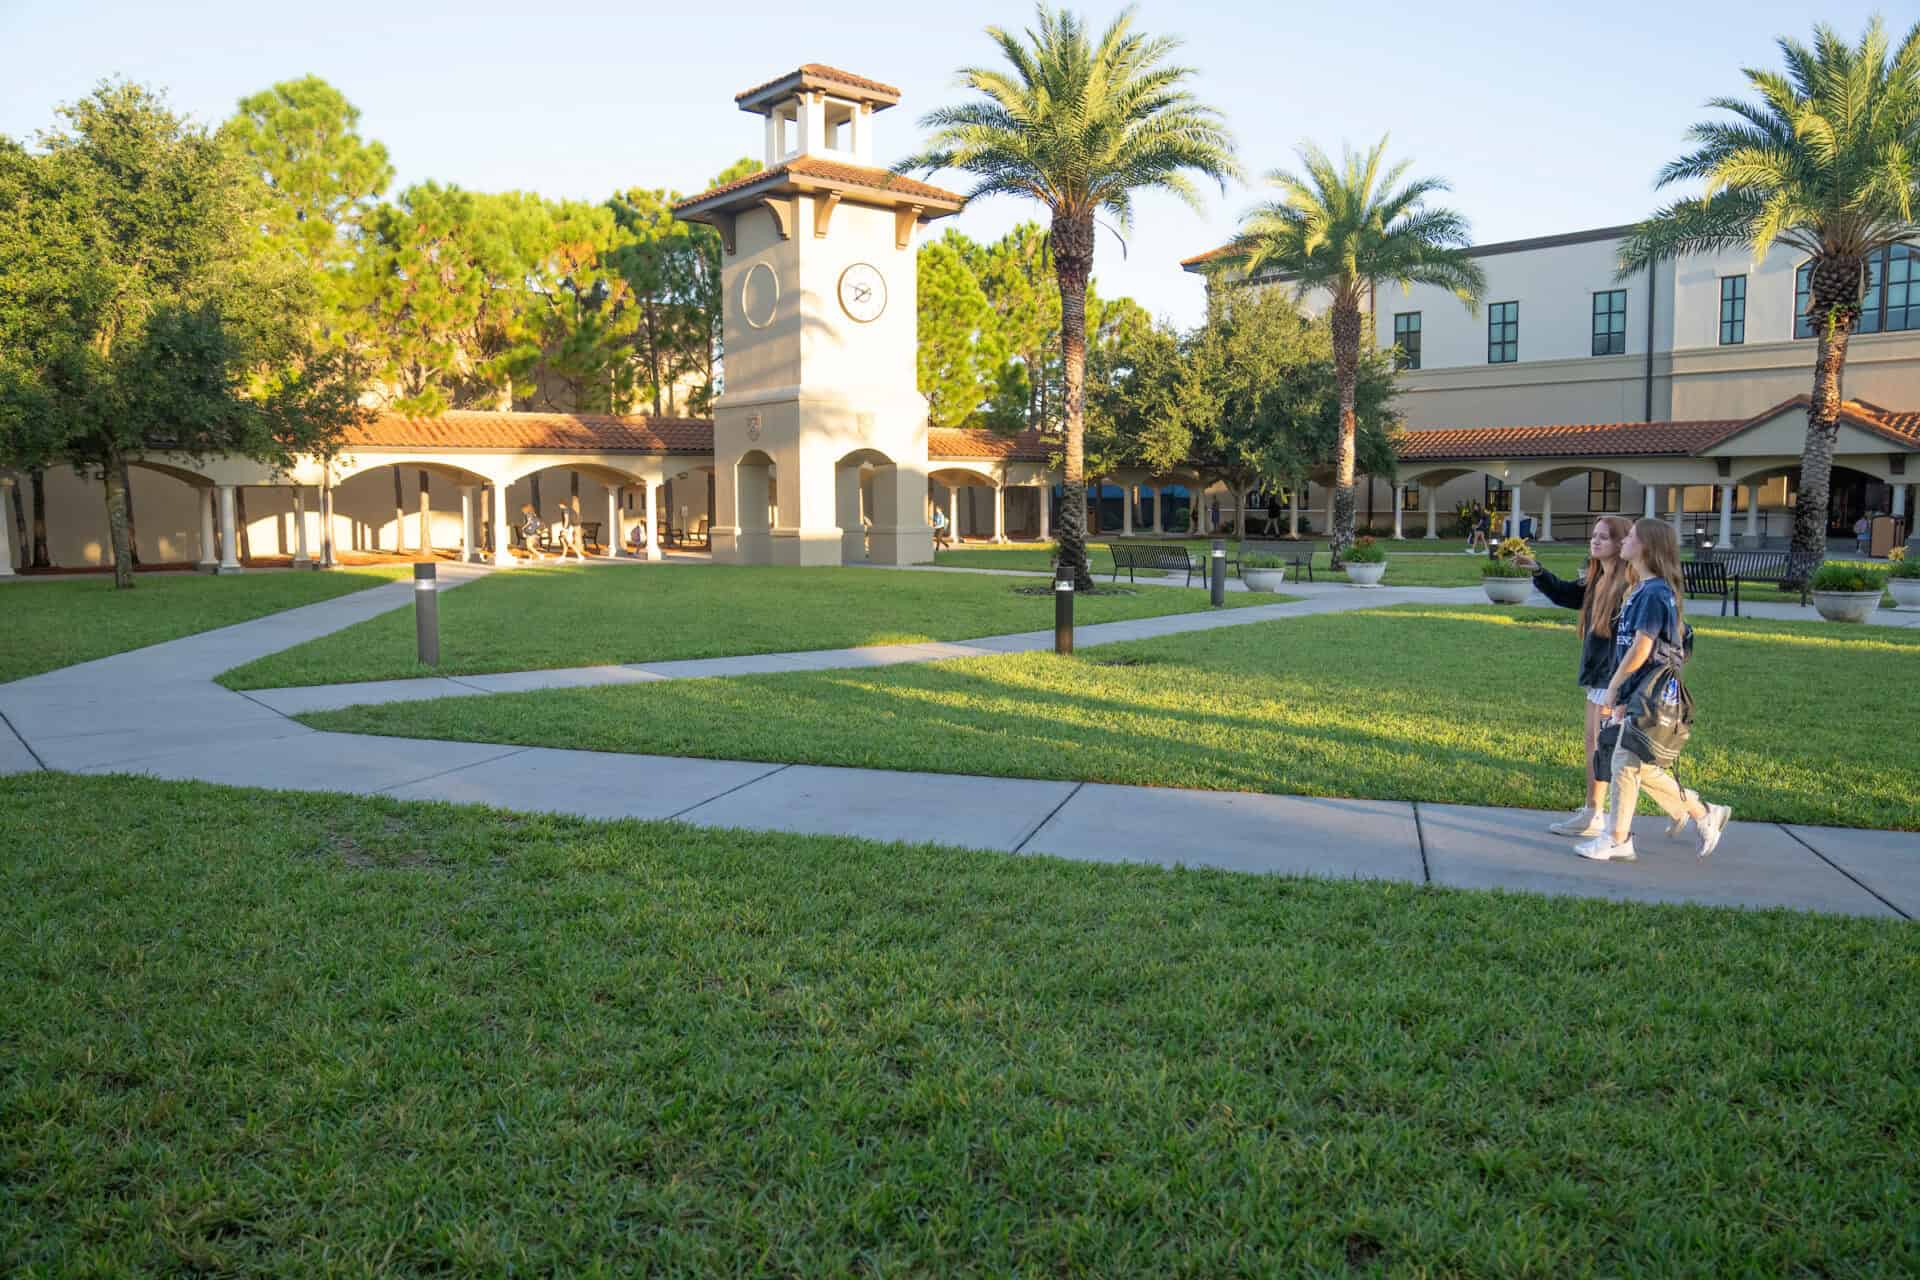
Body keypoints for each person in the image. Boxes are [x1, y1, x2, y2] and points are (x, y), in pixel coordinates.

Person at [1576, 517, 1732, 863]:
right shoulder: (1641, 590)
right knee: (1633, 765)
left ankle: (1619, 838)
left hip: (1645, 693)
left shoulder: (1654, 592)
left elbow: (1641, 648)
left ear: (1646, 547)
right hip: (1636, 691)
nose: (1624, 541)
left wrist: (1614, 689)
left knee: (1625, 762)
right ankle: (1701, 811)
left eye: (1630, 536)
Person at [1516, 516, 1634, 838]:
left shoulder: (1628, 587)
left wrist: (1618, 685)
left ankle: (1696, 810)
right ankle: (1593, 811)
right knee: (1594, 744)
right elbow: (1566, 594)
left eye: (1604, 538)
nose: (1595, 542)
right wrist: (1537, 570)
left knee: (1614, 751)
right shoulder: (1598, 580)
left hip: (1614, 679)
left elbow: (1635, 641)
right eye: (1594, 536)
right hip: (1598, 676)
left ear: (1622, 543)